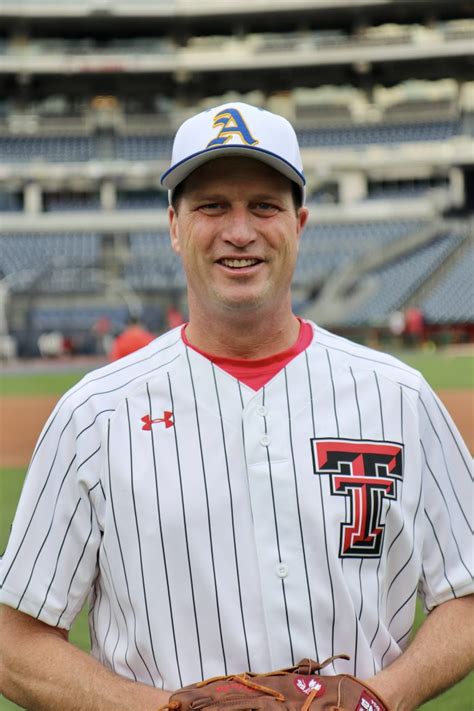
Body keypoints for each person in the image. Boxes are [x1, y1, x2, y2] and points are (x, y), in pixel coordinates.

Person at [0, 101, 472, 711]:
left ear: (299, 224)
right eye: (212, 206)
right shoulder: (94, 416)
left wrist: (377, 699)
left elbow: (466, 592)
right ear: (174, 227)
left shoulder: (400, 397)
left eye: (265, 206)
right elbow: (14, 641)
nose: (240, 231)